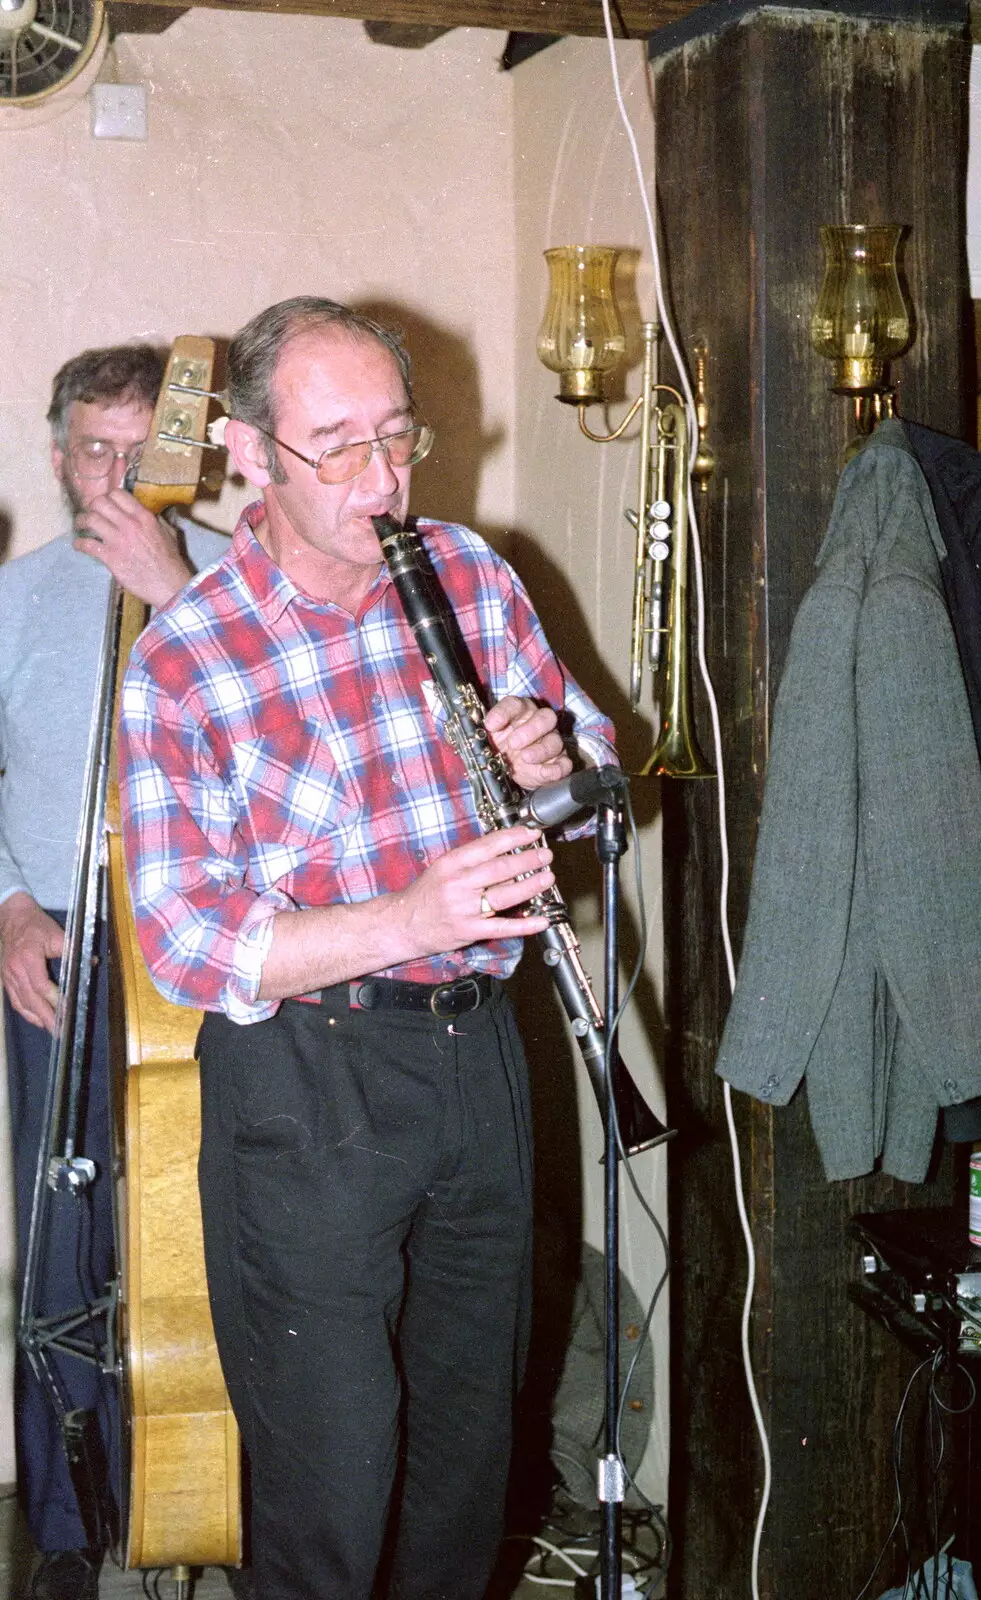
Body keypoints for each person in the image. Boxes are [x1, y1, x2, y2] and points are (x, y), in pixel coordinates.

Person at [118, 297, 618, 1600]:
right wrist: (411, 918)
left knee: (466, 1464)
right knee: (334, 1490)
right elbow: (183, 942)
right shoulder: (187, 659)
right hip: (307, 1079)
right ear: (247, 455)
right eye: (335, 446)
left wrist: (554, 769)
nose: (381, 480)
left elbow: (596, 790)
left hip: (479, 1064)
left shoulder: (468, 573)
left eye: (398, 436)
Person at [0, 345, 229, 1600]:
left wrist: (178, 588)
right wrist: (7, 909)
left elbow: (270, 735)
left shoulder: (231, 586)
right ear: (56, 453)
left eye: (144, 455)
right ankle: (70, 1533)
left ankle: (197, 1513)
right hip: (64, 961)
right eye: (95, 450)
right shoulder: (12, 598)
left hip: (211, 962)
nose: (118, 477)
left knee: (204, 1241)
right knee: (62, 1245)